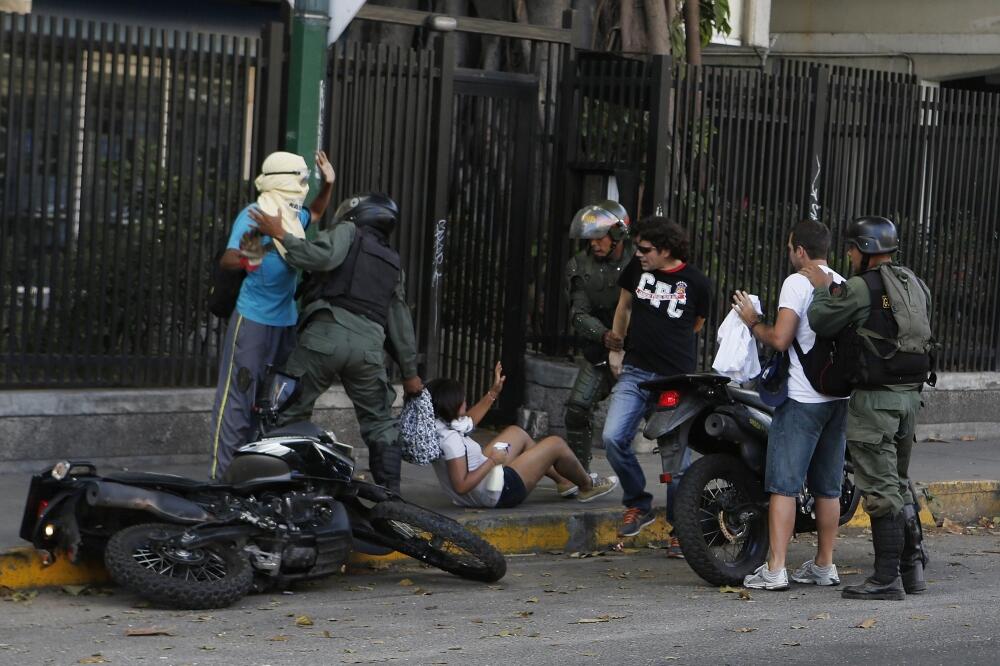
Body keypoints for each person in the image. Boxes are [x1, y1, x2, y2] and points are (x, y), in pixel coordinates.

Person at [249, 193, 422, 494]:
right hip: (368, 351)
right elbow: (400, 322)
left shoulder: (348, 231)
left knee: (287, 408)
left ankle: (281, 488)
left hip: (324, 337)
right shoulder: (393, 263)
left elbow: (320, 257)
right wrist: (410, 374)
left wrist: (281, 234)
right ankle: (391, 498)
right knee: (380, 422)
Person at [803, 215, 934, 601]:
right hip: (909, 397)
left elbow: (821, 320)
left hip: (875, 401)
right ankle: (913, 571)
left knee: (880, 489)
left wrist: (824, 288)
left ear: (866, 250)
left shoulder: (861, 287)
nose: (847, 254)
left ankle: (885, 579)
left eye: (852, 248)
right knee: (898, 482)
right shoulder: (916, 284)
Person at [731, 219, 849, 591]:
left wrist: (753, 322)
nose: (789, 254)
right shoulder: (840, 282)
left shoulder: (797, 281)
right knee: (828, 487)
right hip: (838, 398)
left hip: (802, 400)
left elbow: (781, 339)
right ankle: (824, 565)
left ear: (800, 250)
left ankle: (775, 568)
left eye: (789, 247)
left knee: (783, 485)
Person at [210, 150, 335, 479]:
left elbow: (317, 213)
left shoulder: (291, 216)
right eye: (302, 178)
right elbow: (228, 258)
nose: (305, 184)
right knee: (237, 403)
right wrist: (253, 254)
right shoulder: (258, 213)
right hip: (253, 321)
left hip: (285, 324)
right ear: (286, 179)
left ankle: (251, 475)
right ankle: (221, 482)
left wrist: (328, 184)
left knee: (268, 404)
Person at [605, 216, 712, 538]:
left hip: (675, 379)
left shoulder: (697, 282)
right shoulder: (637, 270)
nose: (639, 254)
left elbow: (697, 323)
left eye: (646, 249)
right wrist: (616, 347)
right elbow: (624, 307)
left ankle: (682, 530)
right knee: (612, 438)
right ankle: (639, 503)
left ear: (666, 250)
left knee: (675, 460)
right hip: (636, 370)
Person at [426, 363, 619, 509]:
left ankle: (564, 481)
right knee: (555, 444)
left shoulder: (440, 424)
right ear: (451, 404)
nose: (466, 402)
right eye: (462, 399)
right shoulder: (451, 441)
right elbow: (461, 486)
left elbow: (470, 420)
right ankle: (587, 485)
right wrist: (493, 461)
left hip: (485, 485)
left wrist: (493, 393)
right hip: (499, 493)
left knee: (517, 433)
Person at [563, 200, 634, 474]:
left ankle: (678, 477)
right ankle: (580, 475)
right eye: (589, 237)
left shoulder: (639, 261)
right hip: (601, 350)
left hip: (640, 351)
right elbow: (578, 313)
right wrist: (605, 336)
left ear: (617, 234)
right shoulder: (580, 266)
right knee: (577, 409)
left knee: (662, 414)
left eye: (599, 236)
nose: (593, 243)